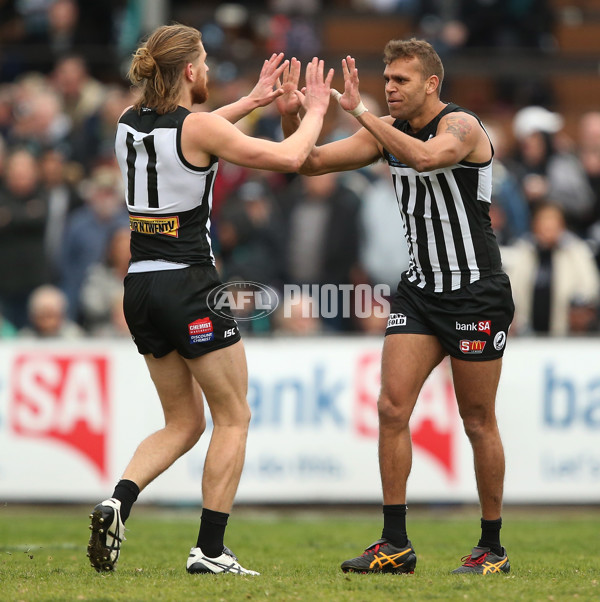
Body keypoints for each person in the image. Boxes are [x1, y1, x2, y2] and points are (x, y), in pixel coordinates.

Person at [86, 23, 332, 576]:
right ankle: (211, 550)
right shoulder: (197, 129)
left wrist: (251, 100)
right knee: (234, 416)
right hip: (189, 283)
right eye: (205, 63)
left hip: (141, 286)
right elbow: (291, 157)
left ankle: (117, 501)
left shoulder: (128, 123)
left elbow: (191, 133)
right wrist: (314, 110)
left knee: (182, 422)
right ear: (192, 71)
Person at [276, 39, 514, 574]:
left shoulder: (463, 127)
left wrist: (360, 111)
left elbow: (428, 158)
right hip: (421, 290)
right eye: (386, 78)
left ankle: (491, 547)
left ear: (432, 83)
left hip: (475, 290)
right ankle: (395, 542)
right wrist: (295, 120)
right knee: (390, 408)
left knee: (476, 420)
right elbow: (309, 163)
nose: (389, 88)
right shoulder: (386, 132)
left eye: (401, 80)